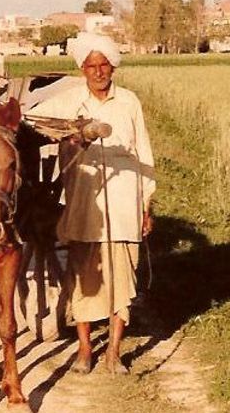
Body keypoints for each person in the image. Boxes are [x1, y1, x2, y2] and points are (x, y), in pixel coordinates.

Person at [26, 32, 156, 375]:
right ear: (82, 69)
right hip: (85, 204)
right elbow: (30, 122)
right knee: (83, 277)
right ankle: (85, 350)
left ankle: (113, 352)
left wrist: (147, 205)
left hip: (126, 201)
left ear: (112, 67)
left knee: (122, 280)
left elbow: (144, 152)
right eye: (91, 66)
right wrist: (69, 132)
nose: (98, 71)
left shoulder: (129, 102)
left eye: (104, 65)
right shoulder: (70, 101)